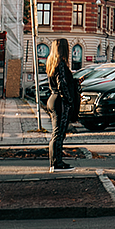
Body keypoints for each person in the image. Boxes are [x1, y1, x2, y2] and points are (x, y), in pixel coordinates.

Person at [45, 39, 80, 169]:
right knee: (59, 133)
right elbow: (63, 84)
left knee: (56, 133)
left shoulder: (51, 63)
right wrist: (69, 100)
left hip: (53, 99)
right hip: (61, 102)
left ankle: (55, 162)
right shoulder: (61, 64)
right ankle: (57, 163)